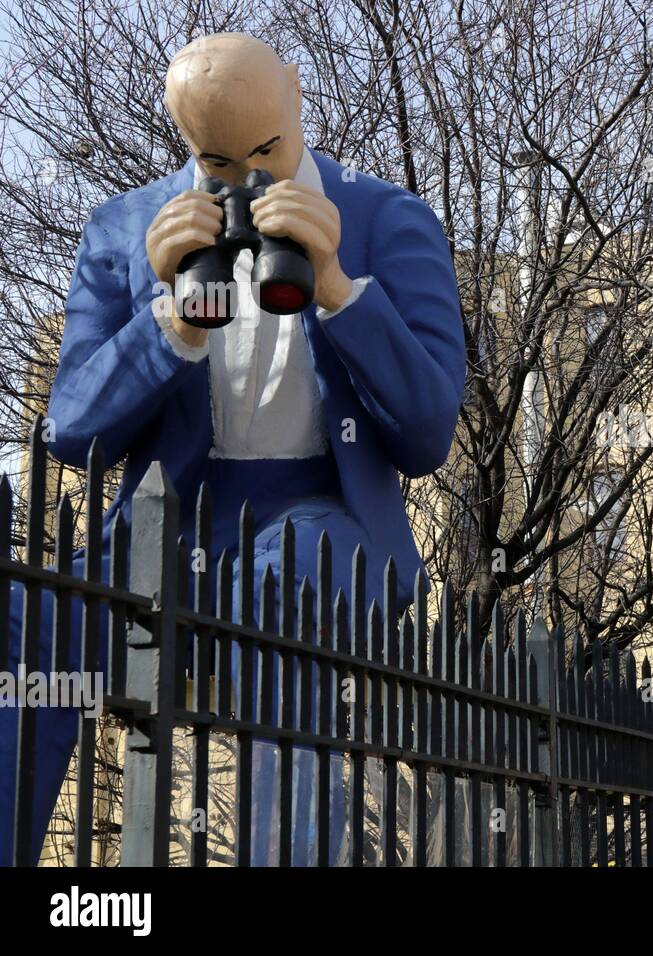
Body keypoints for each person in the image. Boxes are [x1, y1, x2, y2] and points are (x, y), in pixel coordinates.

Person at [0, 32, 465, 865]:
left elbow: (428, 433)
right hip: (164, 526)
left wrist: (336, 289)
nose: (247, 176)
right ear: (184, 138)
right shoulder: (126, 228)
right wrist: (169, 323)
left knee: (279, 593)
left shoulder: (388, 220)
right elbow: (71, 429)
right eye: (219, 160)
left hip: (320, 516)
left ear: (297, 91)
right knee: (24, 619)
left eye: (266, 151)